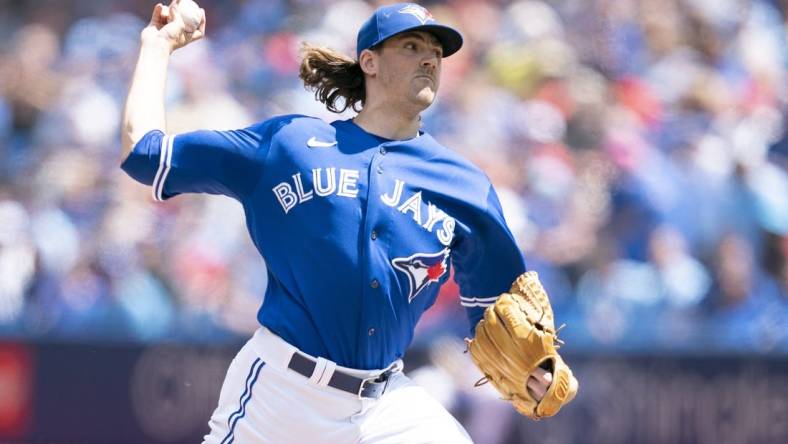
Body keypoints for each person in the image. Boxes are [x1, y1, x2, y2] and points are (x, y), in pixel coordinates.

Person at [120, 1, 555, 442]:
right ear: (369, 60)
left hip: (385, 405)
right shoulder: (290, 145)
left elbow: (502, 308)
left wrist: (539, 366)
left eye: (437, 53)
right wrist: (158, 46)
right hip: (282, 394)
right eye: (411, 45)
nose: (429, 58)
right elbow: (145, 154)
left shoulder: (463, 184)